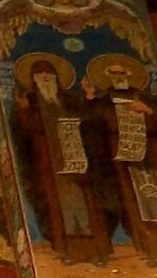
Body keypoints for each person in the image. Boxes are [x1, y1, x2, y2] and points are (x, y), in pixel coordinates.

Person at [84, 58, 157, 266]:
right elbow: (94, 126)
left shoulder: (145, 98)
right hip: (125, 163)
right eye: (113, 74)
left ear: (128, 75)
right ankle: (154, 252)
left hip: (154, 158)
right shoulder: (104, 100)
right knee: (137, 206)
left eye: (121, 74)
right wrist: (90, 99)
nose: (117, 77)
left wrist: (148, 111)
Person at [14, 58, 111, 263]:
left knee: (85, 202)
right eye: (40, 75)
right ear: (33, 79)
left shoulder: (69, 99)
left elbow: (86, 120)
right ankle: (70, 251)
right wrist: (23, 110)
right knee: (61, 206)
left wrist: (90, 97)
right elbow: (25, 132)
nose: (45, 78)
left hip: (77, 158)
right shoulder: (30, 101)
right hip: (49, 162)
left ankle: (95, 251)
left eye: (49, 75)